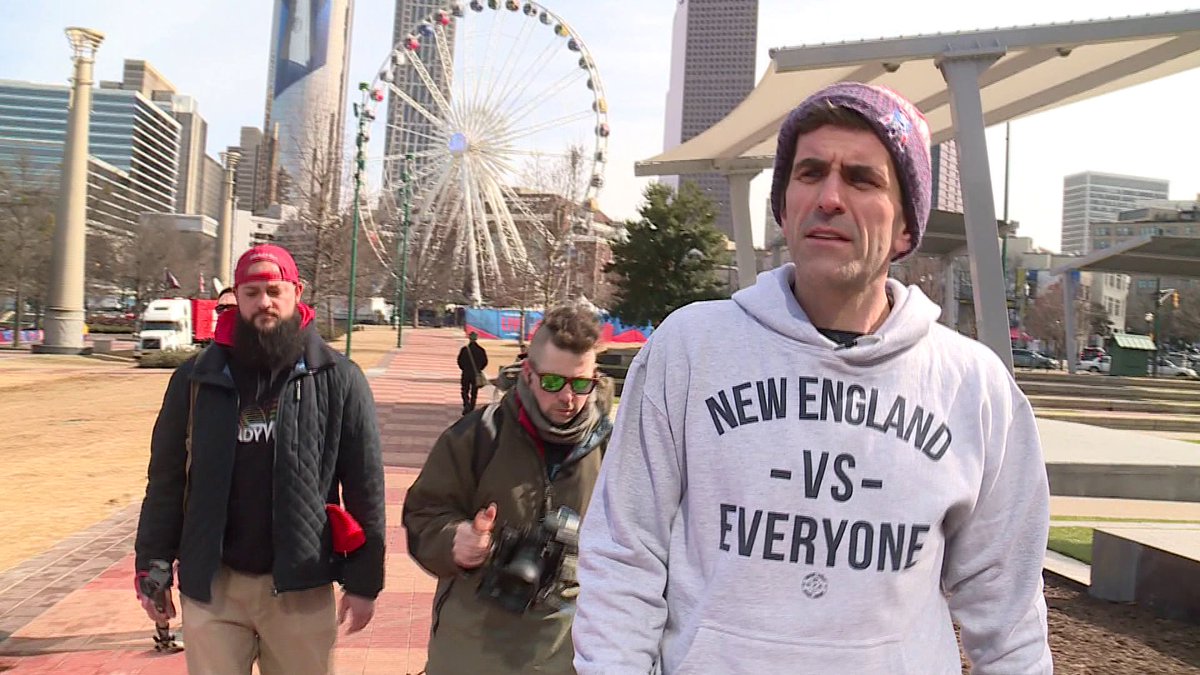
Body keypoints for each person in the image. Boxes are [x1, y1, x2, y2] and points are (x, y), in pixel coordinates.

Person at [573, 82, 1052, 674]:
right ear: (783, 206)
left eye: (862, 179)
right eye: (809, 173)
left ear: (907, 228)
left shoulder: (974, 388)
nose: (829, 197)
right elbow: (624, 555)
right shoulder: (690, 350)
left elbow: (1009, 617)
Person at [134, 244, 387, 675]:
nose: (264, 302)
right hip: (213, 587)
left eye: (274, 290)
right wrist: (152, 567)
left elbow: (365, 486)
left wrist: (364, 582)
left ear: (296, 292)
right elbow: (167, 481)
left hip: (301, 586)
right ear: (237, 296)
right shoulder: (195, 380)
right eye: (252, 292)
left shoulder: (339, 378)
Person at [403, 304, 615, 674]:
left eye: (581, 384)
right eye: (553, 382)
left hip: (568, 650)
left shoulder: (613, 448)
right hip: (472, 649)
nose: (567, 398)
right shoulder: (477, 436)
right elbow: (423, 515)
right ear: (529, 374)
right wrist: (456, 539)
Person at [457, 331, 489, 415]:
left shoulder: (464, 350)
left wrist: (464, 368)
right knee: (474, 392)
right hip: (476, 374)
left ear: (469, 338)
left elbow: (459, 361)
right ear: (476, 338)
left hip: (466, 373)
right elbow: (485, 362)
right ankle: (472, 407)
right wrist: (479, 369)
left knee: (464, 390)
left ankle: (466, 404)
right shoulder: (481, 350)